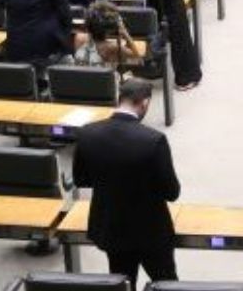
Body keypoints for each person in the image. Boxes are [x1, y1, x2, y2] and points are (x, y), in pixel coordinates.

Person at [73, 78, 181, 290]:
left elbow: (81, 179)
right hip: (151, 231)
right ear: (145, 103)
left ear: (118, 99)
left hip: (111, 227)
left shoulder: (87, 133)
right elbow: (172, 192)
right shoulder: (154, 140)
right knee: (167, 283)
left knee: (121, 283)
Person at [74, 0, 143, 69]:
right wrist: (125, 33)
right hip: (102, 79)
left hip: (80, 78)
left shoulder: (78, 38)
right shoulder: (114, 48)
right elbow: (138, 61)